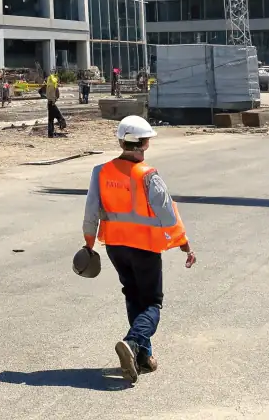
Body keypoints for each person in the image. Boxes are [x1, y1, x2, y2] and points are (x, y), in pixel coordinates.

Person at [81, 115, 196, 383]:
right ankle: (133, 342)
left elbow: (90, 212)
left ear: (121, 142)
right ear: (145, 144)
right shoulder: (148, 176)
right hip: (144, 247)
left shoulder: (100, 172)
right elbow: (168, 216)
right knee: (152, 303)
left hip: (115, 247)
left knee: (133, 296)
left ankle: (143, 358)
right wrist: (184, 243)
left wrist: (88, 244)